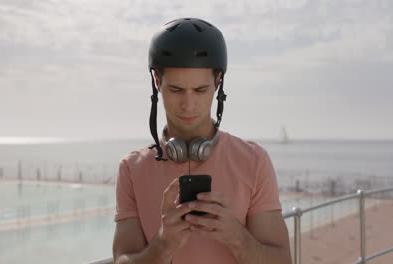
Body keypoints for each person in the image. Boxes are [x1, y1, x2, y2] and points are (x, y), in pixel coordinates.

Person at [112, 17, 292, 264]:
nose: (188, 105)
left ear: (218, 82)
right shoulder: (132, 169)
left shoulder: (254, 161)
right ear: (157, 81)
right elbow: (123, 259)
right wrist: (163, 245)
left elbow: (282, 260)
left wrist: (236, 236)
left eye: (199, 90)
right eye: (176, 90)